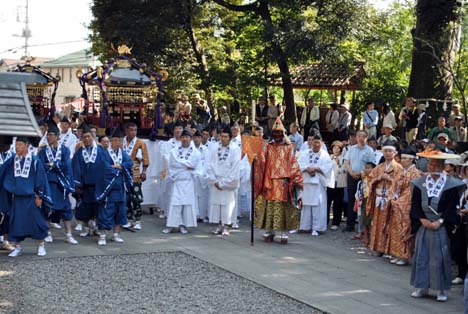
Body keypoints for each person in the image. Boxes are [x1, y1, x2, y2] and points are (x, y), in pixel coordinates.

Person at [410, 149, 465, 302]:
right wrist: (421, 219)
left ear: (442, 166)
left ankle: (441, 289)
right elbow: (414, 205)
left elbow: (452, 207)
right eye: (430, 163)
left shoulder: (451, 184)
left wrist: (440, 222)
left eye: (435, 164)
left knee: (440, 257)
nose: (431, 167)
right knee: (421, 256)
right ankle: (422, 287)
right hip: (424, 224)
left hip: (440, 224)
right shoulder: (420, 182)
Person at [254, 117, 304, 244]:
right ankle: (269, 230)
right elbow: (263, 161)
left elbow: (293, 163)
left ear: (282, 133)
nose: (276, 135)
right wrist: (256, 160)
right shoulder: (268, 146)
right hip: (269, 181)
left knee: (283, 207)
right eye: (274, 133)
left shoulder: (288, 147)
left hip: (283, 181)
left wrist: (295, 178)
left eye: (279, 133)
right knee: (270, 205)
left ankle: (284, 232)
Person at [2, 136, 53, 257]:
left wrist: (39, 196)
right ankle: (17, 247)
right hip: (17, 198)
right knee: (16, 222)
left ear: (26, 146)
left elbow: (40, 179)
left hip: (31, 197)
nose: (17, 147)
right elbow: (3, 172)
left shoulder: (35, 161)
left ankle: (41, 245)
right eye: (16, 145)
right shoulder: (12, 161)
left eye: (19, 145)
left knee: (36, 222)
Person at [37, 121, 78, 245]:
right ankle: (47, 233)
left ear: (57, 137)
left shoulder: (64, 150)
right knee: (47, 208)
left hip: (61, 185)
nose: (48, 137)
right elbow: (40, 166)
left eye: (51, 135)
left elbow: (67, 165)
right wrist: (52, 166)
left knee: (66, 210)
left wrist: (54, 165)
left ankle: (69, 234)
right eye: (47, 135)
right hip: (48, 184)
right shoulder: (43, 151)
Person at [95, 127, 133, 245]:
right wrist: (117, 170)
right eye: (115, 140)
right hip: (109, 188)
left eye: (119, 141)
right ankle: (102, 235)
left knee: (120, 211)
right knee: (106, 211)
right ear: (111, 141)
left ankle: (116, 234)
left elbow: (129, 163)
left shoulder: (124, 154)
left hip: (120, 188)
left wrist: (120, 166)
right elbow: (104, 167)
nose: (117, 143)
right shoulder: (105, 154)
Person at [163, 129, 201, 234]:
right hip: (177, 181)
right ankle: (172, 225)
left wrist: (181, 165)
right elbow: (172, 165)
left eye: (187, 137)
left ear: (190, 139)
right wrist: (186, 166)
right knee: (174, 204)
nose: (184, 139)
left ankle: (183, 225)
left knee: (186, 205)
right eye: (183, 137)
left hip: (188, 182)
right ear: (181, 138)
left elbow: (193, 165)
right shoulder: (174, 151)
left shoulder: (195, 152)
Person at [366, 146, 402, 256]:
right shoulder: (379, 167)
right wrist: (378, 178)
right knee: (377, 223)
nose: (387, 153)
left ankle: (388, 249)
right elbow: (370, 181)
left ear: (394, 153)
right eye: (385, 151)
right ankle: (377, 247)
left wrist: (390, 179)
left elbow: (401, 184)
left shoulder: (398, 168)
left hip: (390, 199)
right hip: (379, 197)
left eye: (390, 151)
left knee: (389, 224)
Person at [72, 123, 107, 237]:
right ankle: (86, 227)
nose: (87, 139)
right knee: (85, 208)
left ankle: (96, 227)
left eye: (89, 137)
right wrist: (77, 184)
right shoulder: (79, 152)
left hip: (98, 185)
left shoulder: (101, 150)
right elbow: (75, 168)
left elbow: (106, 165)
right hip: (85, 186)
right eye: (84, 137)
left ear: (93, 137)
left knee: (97, 208)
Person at [388, 150, 422, 266]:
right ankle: (397, 253)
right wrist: (392, 198)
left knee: (405, 228)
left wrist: (399, 201)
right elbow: (393, 186)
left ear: (411, 160)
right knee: (396, 228)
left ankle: (405, 255)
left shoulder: (415, 173)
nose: (402, 160)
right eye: (401, 158)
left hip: (406, 204)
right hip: (397, 202)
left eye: (404, 158)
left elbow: (411, 191)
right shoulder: (400, 171)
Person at [206, 127, 241, 236]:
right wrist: (214, 180)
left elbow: (235, 168)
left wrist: (224, 183)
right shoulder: (214, 147)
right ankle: (218, 225)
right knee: (216, 204)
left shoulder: (235, 149)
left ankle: (226, 226)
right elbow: (209, 164)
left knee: (227, 205)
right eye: (222, 136)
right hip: (216, 180)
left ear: (230, 138)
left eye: (226, 137)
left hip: (227, 182)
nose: (223, 139)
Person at [298, 134, 333, 236]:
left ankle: (317, 228)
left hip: (318, 183)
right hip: (306, 182)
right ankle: (305, 226)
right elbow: (299, 164)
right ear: (311, 143)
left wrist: (316, 169)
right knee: (306, 205)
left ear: (321, 144)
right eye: (314, 143)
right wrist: (307, 169)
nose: (316, 145)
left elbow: (327, 168)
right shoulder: (304, 153)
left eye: (318, 143)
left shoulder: (325, 155)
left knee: (318, 206)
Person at [344, 130, 375, 232]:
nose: (361, 138)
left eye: (363, 137)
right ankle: (350, 224)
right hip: (351, 176)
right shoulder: (351, 149)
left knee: (363, 201)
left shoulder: (370, 150)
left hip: (364, 178)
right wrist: (351, 172)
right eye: (359, 136)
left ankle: (362, 227)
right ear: (356, 137)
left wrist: (363, 173)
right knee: (351, 200)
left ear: (366, 138)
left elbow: (372, 165)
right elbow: (347, 162)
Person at [122, 122, 149, 230]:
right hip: (123, 172)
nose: (133, 132)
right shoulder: (121, 142)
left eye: (135, 130)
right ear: (126, 131)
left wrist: (144, 171)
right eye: (131, 130)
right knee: (126, 198)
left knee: (136, 198)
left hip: (135, 173)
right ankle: (128, 219)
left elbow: (145, 158)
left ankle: (137, 220)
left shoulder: (140, 143)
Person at [328, 141, 347, 230]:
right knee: (327, 203)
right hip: (329, 183)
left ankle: (336, 222)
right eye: (334, 148)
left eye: (338, 148)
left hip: (339, 183)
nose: (336, 150)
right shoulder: (329, 157)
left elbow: (344, 170)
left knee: (338, 204)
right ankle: (325, 221)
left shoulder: (343, 159)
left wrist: (339, 163)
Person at [193, 130, 210, 222]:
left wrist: (203, 174)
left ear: (201, 138)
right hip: (193, 176)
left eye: (198, 138)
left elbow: (207, 163)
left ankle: (202, 215)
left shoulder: (205, 149)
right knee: (194, 196)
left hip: (202, 175)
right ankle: (194, 215)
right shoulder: (190, 149)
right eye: (195, 137)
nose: (196, 139)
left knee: (203, 196)